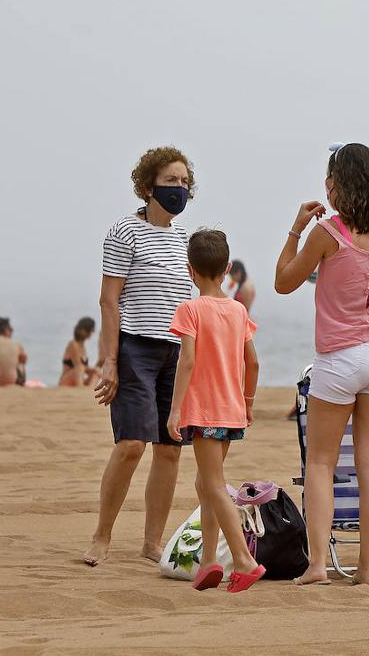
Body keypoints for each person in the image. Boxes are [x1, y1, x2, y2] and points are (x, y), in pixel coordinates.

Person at [275, 143, 369, 588]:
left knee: (321, 463)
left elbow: (284, 283)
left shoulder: (328, 232)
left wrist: (294, 231)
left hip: (340, 358)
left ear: (338, 185)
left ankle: (319, 565)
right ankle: (366, 572)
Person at [84, 146, 194, 567]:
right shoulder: (125, 233)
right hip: (136, 348)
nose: (179, 189)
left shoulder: (185, 238)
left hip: (177, 353)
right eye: (171, 181)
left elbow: (190, 300)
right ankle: (102, 536)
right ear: (148, 186)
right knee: (131, 444)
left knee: (170, 448)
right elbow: (109, 301)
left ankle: (152, 543)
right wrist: (109, 361)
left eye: (184, 182)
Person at [165, 229, 265, 593]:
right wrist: (249, 402)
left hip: (204, 412)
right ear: (226, 270)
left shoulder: (190, 309)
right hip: (231, 410)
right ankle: (209, 561)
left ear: (190, 270)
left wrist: (175, 409)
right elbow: (252, 362)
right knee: (205, 482)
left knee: (214, 484)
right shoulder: (238, 310)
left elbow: (187, 360)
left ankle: (243, 559)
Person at [59, 317, 100, 387]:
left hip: (77, 380)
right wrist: (93, 369)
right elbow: (79, 366)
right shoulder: (73, 344)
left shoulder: (83, 346)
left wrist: (96, 369)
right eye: (91, 330)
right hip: (66, 380)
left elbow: (86, 369)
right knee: (80, 368)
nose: (92, 333)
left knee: (98, 371)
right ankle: (81, 389)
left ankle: (90, 390)